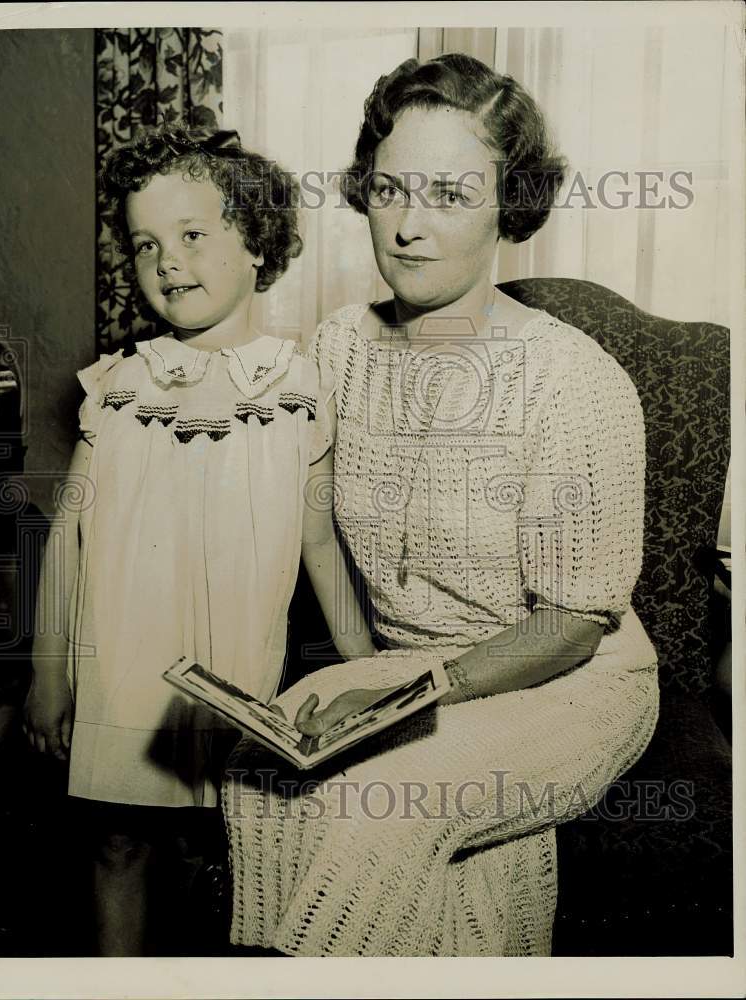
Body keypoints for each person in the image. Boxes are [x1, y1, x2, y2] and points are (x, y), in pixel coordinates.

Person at [222, 54, 660, 957]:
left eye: (450, 195)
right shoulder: (342, 343)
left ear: (511, 204)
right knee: (257, 772)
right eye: (389, 191)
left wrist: (403, 697)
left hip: (574, 685)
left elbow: (575, 624)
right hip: (413, 667)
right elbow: (312, 515)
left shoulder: (575, 380)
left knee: (382, 807)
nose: (410, 227)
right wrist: (358, 666)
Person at [23, 123, 375, 956]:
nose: (167, 263)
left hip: (235, 667)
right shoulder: (116, 388)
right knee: (118, 841)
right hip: (122, 660)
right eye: (146, 245)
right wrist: (45, 673)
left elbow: (320, 545)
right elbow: (68, 538)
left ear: (256, 245)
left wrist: (373, 673)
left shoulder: (299, 388)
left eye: (191, 236)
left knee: (233, 853)